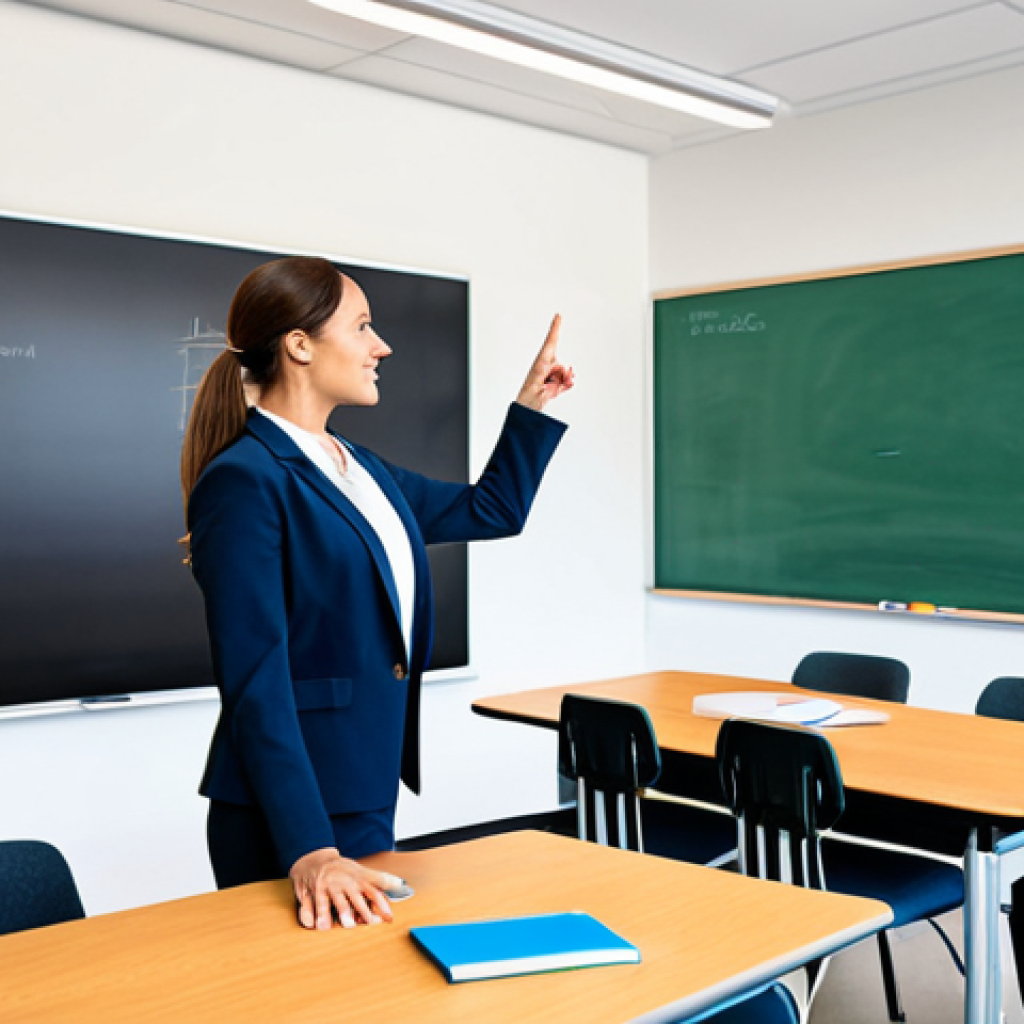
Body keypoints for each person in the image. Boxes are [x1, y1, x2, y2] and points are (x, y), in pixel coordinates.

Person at [181, 256, 572, 931]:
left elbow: (492, 510)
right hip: (291, 814)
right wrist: (310, 848)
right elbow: (256, 682)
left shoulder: (355, 467)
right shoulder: (245, 479)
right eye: (362, 327)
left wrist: (531, 403)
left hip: (360, 786)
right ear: (299, 345)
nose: (380, 345)